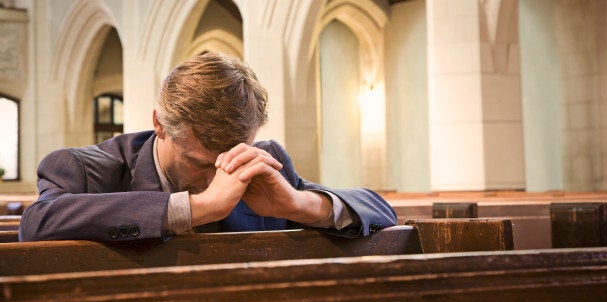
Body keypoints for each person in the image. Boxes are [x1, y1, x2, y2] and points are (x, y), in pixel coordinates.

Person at [19, 51, 397, 242]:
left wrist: (301, 205)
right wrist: (198, 207)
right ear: (159, 125)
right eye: (200, 160)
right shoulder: (82, 168)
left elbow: (381, 212)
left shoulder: (260, 161)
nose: (220, 173)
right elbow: (37, 224)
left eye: (228, 158)